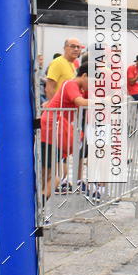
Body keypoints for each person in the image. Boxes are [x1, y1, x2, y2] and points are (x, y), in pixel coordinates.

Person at [40, 62, 89, 200]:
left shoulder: (79, 88)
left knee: (55, 176)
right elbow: (79, 102)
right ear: (84, 75)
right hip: (50, 130)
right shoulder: (71, 84)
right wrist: (103, 100)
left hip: (56, 132)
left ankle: (39, 211)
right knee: (49, 176)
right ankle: (38, 211)